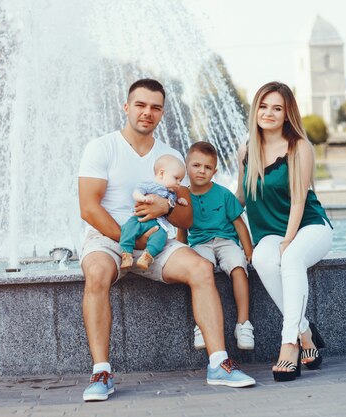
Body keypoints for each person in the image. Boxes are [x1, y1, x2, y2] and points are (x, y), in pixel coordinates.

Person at [78, 79, 255, 402]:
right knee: (97, 273)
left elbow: (186, 219)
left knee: (201, 268)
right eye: (141, 105)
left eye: (155, 107)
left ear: (162, 112)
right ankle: (101, 371)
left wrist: (167, 207)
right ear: (127, 107)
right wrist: (131, 242)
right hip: (109, 237)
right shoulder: (101, 147)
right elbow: (89, 208)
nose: (148, 112)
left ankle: (219, 363)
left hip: (157, 240)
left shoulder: (170, 155)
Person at [236, 81, 333, 382]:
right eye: (264, 106)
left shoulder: (299, 147)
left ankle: (289, 345)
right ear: (255, 110)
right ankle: (306, 332)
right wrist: (198, 198)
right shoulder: (246, 150)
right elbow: (239, 196)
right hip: (271, 234)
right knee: (262, 259)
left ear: (287, 113)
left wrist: (289, 240)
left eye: (277, 108)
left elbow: (299, 199)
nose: (269, 113)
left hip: (309, 226)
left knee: (289, 259)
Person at [177, 141, 255, 351]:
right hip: (200, 243)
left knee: (238, 267)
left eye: (207, 167)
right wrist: (179, 250)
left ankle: (243, 324)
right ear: (186, 166)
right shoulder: (182, 197)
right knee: (200, 271)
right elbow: (182, 227)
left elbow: (239, 223)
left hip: (226, 241)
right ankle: (202, 326)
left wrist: (248, 250)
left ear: (214, 171)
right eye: (196, 165)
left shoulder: (223, 194)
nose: (201, 171)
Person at [119, 154, 188, 270]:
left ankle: (147, 256)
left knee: (161, 237)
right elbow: (136, 192)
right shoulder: (149, 185)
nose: (179, 183)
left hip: (158, 224)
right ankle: (126, 253)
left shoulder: (172, 194)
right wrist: (141, 198)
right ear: (161, 173)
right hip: (140, 219)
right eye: (176, 178)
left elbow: (174, 204)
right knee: (128, 228)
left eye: (180, 180)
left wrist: (180, 200)